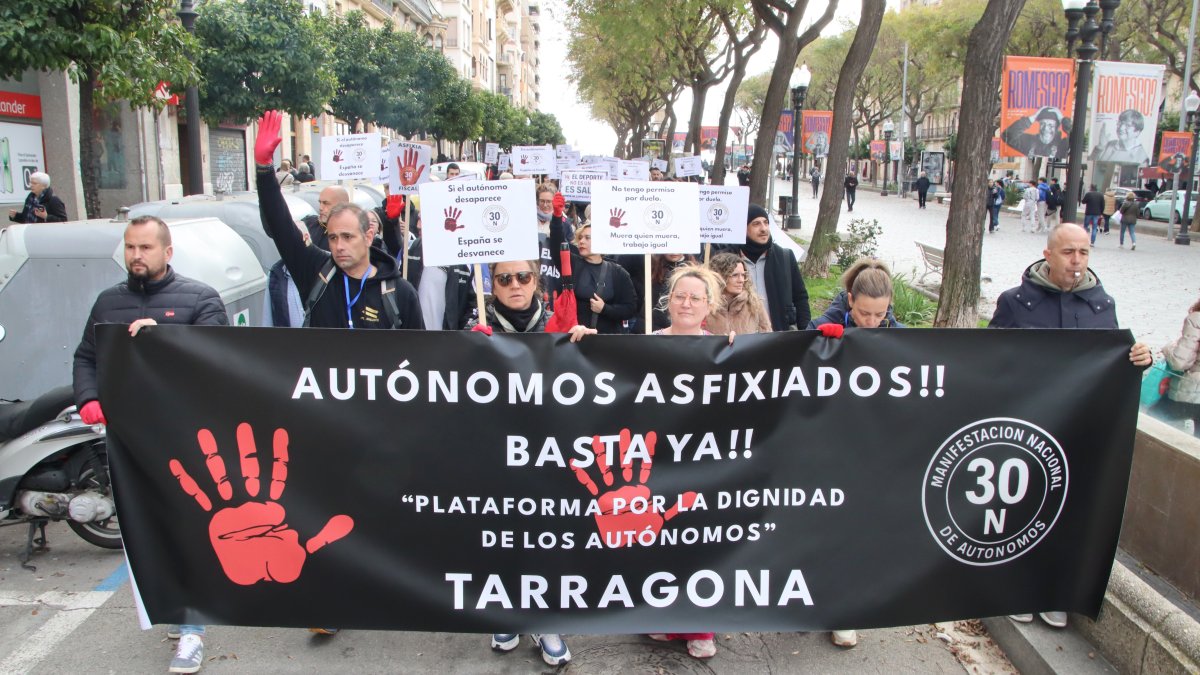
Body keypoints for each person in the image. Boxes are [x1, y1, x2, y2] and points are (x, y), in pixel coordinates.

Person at [72, 215, 227, 673]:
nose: (137, 255)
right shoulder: (107, 302)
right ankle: (171, 611)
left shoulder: (200, 299)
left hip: (187, 438)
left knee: (187, 531)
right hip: (129, 441)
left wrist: (165, 339)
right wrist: (88, 399)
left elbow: (220, 358)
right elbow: (86, 356)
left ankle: (190, 631)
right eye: (130, 247)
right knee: (147, 533)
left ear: (168, 252)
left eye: (146, 247)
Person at [990, 222, 1151, 630]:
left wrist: (1138, 361)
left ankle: (1055, 592)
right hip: (1027, 427)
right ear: (1048, 254)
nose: (1077, 261)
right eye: (1068, 252)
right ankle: (1018, 588)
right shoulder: (1014, 302)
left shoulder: (1102, 305)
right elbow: (989, 357)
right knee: (1023, 510)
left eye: (1084, 252)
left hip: (1076, 431)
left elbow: (1112, 365)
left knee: (1066, 512)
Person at [256, 110, 422, 332]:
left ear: (369, 236)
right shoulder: (317, 274)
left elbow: (423, 357)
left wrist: (469, 344)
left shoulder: (400, 293)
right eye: (333, 237)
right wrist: (264, 170)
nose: (339, 246)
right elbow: (281, 227)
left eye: (348, 236)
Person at [548, 219, 637, 334]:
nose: (581, 241)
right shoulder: (573, 264)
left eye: (587, 238)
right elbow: (557, 245)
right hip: (574, 340)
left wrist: (605, 309)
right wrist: (556, 218)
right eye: (580, 238)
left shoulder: (618, 273)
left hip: (606, 343)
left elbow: (630, 309)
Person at [734, 204, 810, 331]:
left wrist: (806, 332)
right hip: (741, 338)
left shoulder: (785, 257)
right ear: (744, 229)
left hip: (778, 337)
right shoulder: (732, 260)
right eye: (756, 224)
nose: (763, 229)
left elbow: (800, 297)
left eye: (766, 223)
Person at [808, 258, 903, 330]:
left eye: (879, 315)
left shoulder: (903, 338)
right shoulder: (817, 330)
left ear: (888, 304)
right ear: (850, 300)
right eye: (864, 313)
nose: (871, 324)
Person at [1156, 298, 1200, 437]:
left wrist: (1168, 348)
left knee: (1151, 418)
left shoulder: (1196, 319)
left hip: (1190, 396)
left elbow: (1180, 362)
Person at [705, 252, 771, 335]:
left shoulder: (754, 304)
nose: (741, 280)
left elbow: (766, 340)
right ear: (720, 276)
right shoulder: (705, 304)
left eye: (743, 275)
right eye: (735, 275)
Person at [1000, 106, 1071, 159]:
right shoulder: (1028, 141)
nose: (1046, 128)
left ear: (1056, 128)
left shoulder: (1062, 145)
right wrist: (1032, 118)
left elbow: (1077, 141)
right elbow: (1007, 136)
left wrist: (1063, 119)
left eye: (1050, 125)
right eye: (1043, 124)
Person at [296, 185, 350, 251]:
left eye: (326, 203)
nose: (320, 208)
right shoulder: (308, 223)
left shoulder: (350, 234)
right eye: (320, 202)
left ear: (342, 205)